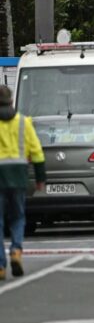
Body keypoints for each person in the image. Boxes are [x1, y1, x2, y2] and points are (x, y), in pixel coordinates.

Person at [0, 86, 46, 280]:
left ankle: (0, 266)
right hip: (18, 176)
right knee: (18, 217)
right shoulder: (23, 122)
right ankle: (16, 250)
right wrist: (40, 178)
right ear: (11, 101)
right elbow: (36, 151)